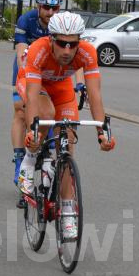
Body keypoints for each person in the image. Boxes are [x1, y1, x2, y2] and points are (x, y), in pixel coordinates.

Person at [16, 12, 116, 240]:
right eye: (62, 43)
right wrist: (32, 132)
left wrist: (103, 133)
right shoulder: (38, 50)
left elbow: (95, 95)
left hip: (61, 88)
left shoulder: (87, 53)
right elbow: (32, 97)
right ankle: (29, 160)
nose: (67, 50)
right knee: (46, 113)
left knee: (67, 144)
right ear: (51, 39)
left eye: (73, 44)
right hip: (33, 84)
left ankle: (68, 212)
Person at [10, 0, 63, 190]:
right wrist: (29, 81)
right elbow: (21, 54)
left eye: (55, 8)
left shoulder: (61, 23)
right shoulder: (26, 20)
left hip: (50, 71)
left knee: (51, 111)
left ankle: (48, 149)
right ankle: (19, 159)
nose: (50, 12)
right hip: (26, 68)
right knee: (20, 111)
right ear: (38, 7)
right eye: (46, 8)